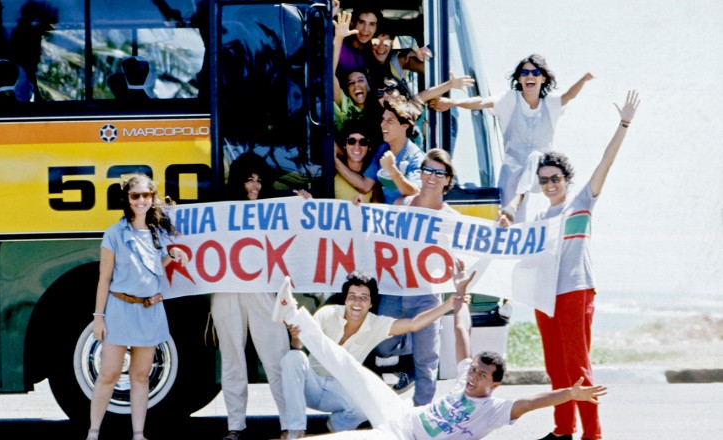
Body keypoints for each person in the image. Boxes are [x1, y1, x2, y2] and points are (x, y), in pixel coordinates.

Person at [271, 260, 608, 440]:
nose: (474, 376)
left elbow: (534, 402)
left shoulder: (494, 409)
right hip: (401, 411)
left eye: (482, 375)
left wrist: (571, 394)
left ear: (495, 385)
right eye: (475, 369)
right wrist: (459, 297)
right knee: (346, 363)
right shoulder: (466, 377)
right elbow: (462, 330)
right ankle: (292, 311)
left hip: (405, 437)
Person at [501, 90, 639, 440]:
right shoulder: (535, 217)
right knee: (555, 367)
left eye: (555, 178)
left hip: (575, 290)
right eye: (544, 180)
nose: (549, 185)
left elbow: (605, 163)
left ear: (566, 179)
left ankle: (592, 435)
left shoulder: (581, 202)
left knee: (577, 366)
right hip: (543, 295)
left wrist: (623, 123)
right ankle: (563, 430)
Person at [277, 270, 469, 438]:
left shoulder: (376, 323)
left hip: (338, 393)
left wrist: (449, 304)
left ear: (370, 304)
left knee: (364, 406)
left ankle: (333, 430)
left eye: (364, 297)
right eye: (352, 296)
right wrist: (296, 336)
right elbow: (299, 344)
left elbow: (413, 324)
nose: (357, 302)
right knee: (294, 357)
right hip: (311, 385)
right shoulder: (328, 313)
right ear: (345, 299)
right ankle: (296, 431)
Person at [429, 54, 594, 222]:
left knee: (535, 157)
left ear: (543, 78)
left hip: (540, 175)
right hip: (512, 172)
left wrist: (584, 79)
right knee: (507, 218)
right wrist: (453, 103)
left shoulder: (549, 104)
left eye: (536, 73)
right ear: (520, 78)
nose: (530, 76)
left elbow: (569, 95)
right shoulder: (509, 99)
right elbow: (481, 102)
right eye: (525, 73)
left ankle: (516, 203)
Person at [87, 174, 188, 440]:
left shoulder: (158, 233)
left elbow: (150, 269)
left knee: (141, 376)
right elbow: (104, 278)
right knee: (108, 373)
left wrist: (171, 256)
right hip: (120, 309)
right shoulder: (114, 234)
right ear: (127, 200)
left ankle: (139, 434)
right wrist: (99, 318)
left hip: (149, 311)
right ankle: (93, 432)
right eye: (135, 196)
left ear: (152, 198)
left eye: (146, 195)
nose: (141, 200)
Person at [366, 148, 458, 404]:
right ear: (420, 174)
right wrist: (357, 214)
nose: (432, 176)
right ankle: (411, 352)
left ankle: (422, 418)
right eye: (427, 170)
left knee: (427, 363)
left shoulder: (451, 218)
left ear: (448, 179)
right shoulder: (401, 204)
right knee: (381, 345)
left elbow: (470, 251)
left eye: (439, 172)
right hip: (394, 292)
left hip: (426, 296)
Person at [212, 152, 292, 440]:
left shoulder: (274, 209)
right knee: (232, 357)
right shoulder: (221, 209)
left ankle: (290, 423)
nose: (255, 187)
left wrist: (304, 204)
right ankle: (235, 426)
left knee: (277, 355)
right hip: (226, 289)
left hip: (260, 289)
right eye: (249, 180)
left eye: (259, 181)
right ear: (238, 182)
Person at [336, 96, 424, 204]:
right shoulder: (382, 149)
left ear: (404, 126)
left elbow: (417, 193)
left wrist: (392, 170)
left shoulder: (416, 157)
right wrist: (334, 160)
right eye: (383, 119)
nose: (382, 124)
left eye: (390, 121)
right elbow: (365, 186)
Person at [333, 7, 382, 82]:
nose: (365, 29)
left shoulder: (374, 51)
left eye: (372, 24)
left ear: (376, 28)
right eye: (361, 22)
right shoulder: (340, 45)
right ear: (353, 24)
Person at [335, 120, 375, 202]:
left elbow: (377, 206)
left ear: (369, 147)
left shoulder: (372, 178)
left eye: (363, 142)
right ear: (344, 145)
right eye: (351, 141)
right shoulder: (332, 172)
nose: (357, 147)